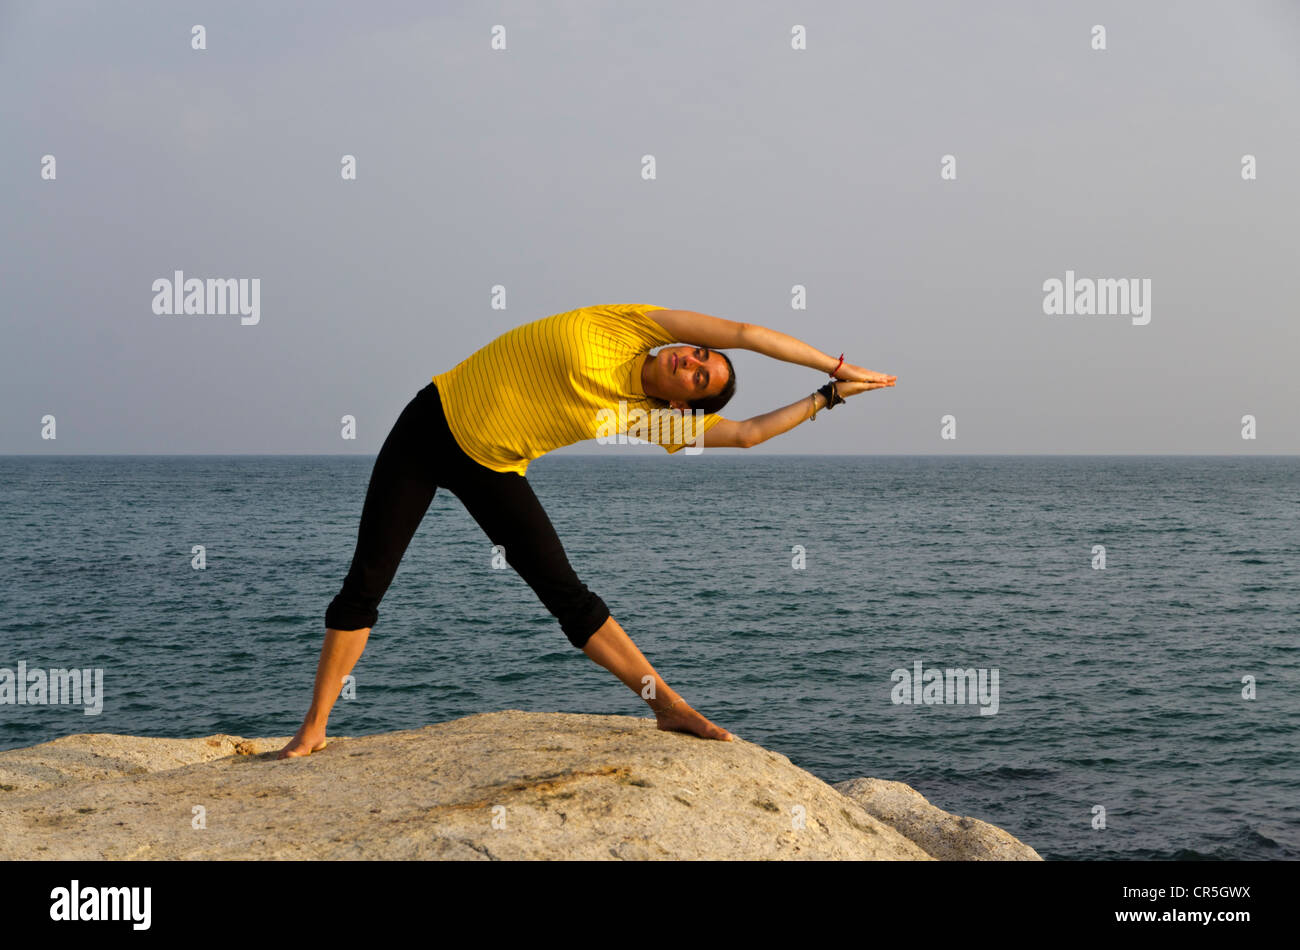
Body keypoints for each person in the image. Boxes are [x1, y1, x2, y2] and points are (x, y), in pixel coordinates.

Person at [278, 304, 895, 758]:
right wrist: (836, 362)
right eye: (699, 357)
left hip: (492, 466)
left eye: (699, 377)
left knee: (568, 597)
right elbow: (746, 335)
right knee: (365, 583)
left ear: (683, 405)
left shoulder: (652, 421)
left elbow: (746, 433)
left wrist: (827, 396)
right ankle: (313, 730)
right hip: (428, 423)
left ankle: (668, 707)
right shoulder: (637, 325)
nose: (692, 360)